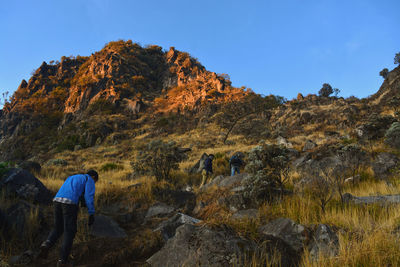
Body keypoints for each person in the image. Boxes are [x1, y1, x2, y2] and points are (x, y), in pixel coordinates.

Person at [38, 170, 98, 267]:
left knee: (58, 228)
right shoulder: (89, 179)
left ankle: (47, 244)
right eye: (95, 182)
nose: (94, 183)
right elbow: (88, 196)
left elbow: (72, 190)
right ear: (94, 177)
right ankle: (63, 261)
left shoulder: (72, 177)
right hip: (69, 203)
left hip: (57, 201)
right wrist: (91, 213)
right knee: (69, 231)